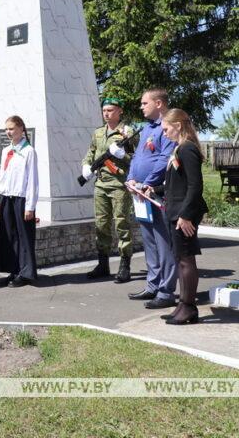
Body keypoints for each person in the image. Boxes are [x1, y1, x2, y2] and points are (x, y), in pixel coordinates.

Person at [145, 109, 207, 325]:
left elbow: (195, 185)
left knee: (186, 260)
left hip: (183, 214)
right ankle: (183, 304)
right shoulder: (179, 148)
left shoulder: (187, 148)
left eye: (166, 128)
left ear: (178, 125)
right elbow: (175, 185)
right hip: (175, 211)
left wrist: (186, 215)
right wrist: (152, 189)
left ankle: (189, 307)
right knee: (180, 260)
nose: (164, 133)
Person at [125, 88, 178, 309]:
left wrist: (147, 182)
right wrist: (130, 179)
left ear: (158, 103)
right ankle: (153, 285)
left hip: (156, 192)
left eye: (144, 103)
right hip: (140, 193)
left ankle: (166, 291)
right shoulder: (147, 128)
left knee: (163, 242)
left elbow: (164, 159)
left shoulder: (168, 128)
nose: (141, 106)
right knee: (149, 241)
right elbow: (138, 157)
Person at [81, 98, 138, 282]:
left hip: (119, 184)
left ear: (119, 111)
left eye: (110, 110)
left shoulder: (127, 132)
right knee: (101, 225)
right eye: (104, 110)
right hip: (101, 184)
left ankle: (124, 265)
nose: (106, 113)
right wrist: (86, 166)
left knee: (122, 224)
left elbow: (137, 159)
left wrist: (124, 156)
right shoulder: (98, 133)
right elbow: (90, 153)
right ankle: (103, 264)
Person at [0, 116, 39, 287]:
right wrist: (0, 201)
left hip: (21, 199)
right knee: (9, 236)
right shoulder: (7, 151)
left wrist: (30, 206)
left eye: (12, 128)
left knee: (23, 237)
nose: (8, 132)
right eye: (6, 129)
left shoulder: (29, 151)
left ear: (21, 129)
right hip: (7, 197)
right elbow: (2, 176)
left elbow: (33, 180)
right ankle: (13, 270)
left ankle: (26, 272)